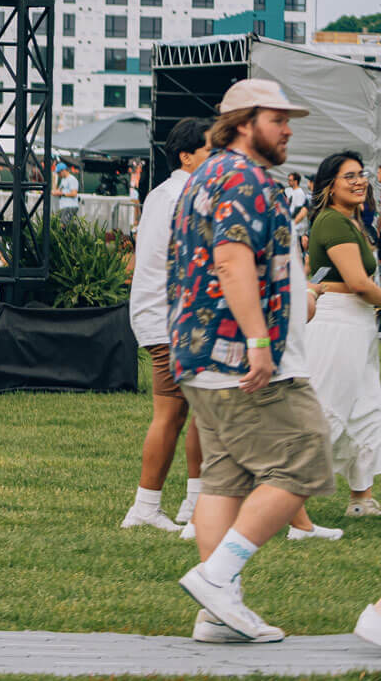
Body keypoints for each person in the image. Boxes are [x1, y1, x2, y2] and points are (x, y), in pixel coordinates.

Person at [171, 79, 333, 644]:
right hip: (244, 357)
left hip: (199, 354)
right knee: (306, 458)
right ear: (245, 121)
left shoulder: (208, 174)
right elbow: (232, 262)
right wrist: (261, 343)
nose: (289, 129)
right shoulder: (244, 177)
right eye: (278, 118)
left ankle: (217, 615)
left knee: (226, 478)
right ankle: (217, 578)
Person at [122, 116, 212, 536]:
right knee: (184, 412)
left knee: (187, 412)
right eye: (212, 150)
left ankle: (180, 504)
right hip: (175, 317)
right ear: (187, 155)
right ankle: (158, 506)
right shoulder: (188, 194)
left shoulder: (163, 192)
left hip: (161, 315)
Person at [306, 151, 381, 517]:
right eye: (348, 176)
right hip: (340, 324)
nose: (358, 181)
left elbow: (316, 272)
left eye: (360, 174)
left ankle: (361, 499)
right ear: (329, 186)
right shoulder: (333, 222)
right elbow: (358, 283)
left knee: (367, 409)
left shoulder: (351, 223)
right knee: (328, 410)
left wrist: (314, 288)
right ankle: (283, 501)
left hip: (357, 322)